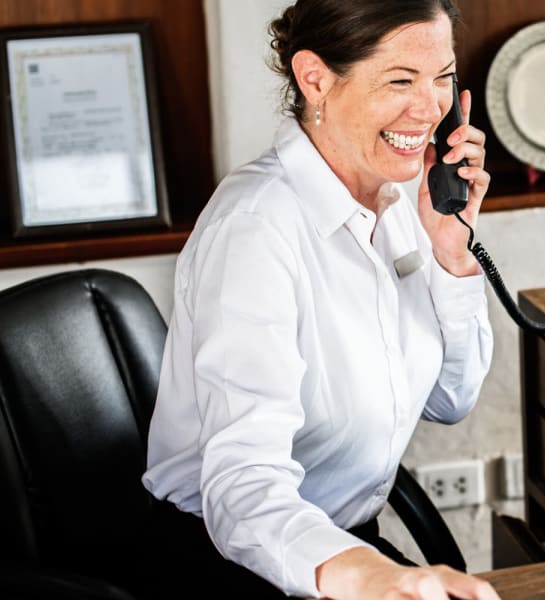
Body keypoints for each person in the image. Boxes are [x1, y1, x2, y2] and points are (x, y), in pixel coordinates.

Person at [141, 0, 499, 598]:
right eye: (400, 80)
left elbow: (449, 399)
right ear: (315, 80)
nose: (430, 107)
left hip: (345, 543)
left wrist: (452, 257)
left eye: (442, 77)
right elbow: (243, 484)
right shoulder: (256, 229)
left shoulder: (397, 200)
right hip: (238, 562)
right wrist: (376, 577)